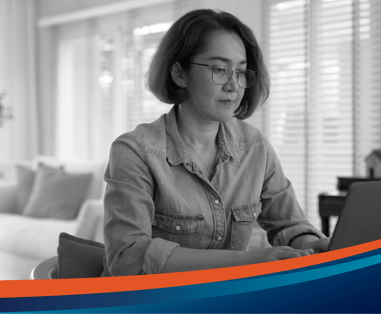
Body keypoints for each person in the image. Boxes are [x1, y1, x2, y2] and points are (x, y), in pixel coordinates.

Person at [101, 9, 329, 277]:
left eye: (241, 72)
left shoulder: (255, 147)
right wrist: (252, 262)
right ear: (179, 73)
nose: (234, 85)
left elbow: (290, 225)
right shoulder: (135, 152)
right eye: (220, 69)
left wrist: (315, 246)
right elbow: (128, 258)